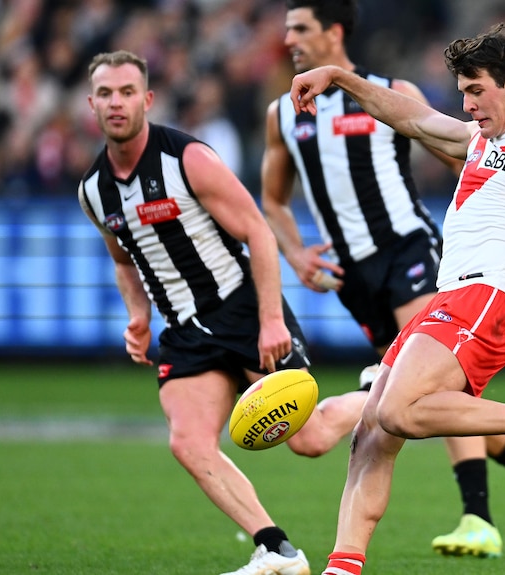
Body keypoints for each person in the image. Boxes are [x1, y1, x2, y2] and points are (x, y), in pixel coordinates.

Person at [288, 23, 505, 575]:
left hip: (489, 297)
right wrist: (339, 78)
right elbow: (406, 115)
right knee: (371, 435)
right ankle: (343, 566)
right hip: (450, 299)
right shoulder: (479, 140)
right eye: (462, 92)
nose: (467, 104)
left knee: (396, 411)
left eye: (476, 90)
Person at [262, 0, 505, 557]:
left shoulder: (396, 90)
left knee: (405, 403)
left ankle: (478, 513)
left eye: (300, 28)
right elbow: (273, 201)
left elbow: (438, 135)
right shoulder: (283, 112)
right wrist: (295, 251)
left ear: (333, 31)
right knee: (398, 413)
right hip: (354, 273)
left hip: (411, 251)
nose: (289, 40)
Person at [76, 49, 349, 575]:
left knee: (310, 440)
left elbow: (257, 232)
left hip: (242, 308)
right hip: (184, 331)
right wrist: (137, 315)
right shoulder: (93, 191)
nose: (116, 103)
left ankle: (377, 387)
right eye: (106, 93)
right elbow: (122, 258)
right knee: (188, 443)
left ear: (147, 99)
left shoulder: (187, 159)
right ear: (92, 104)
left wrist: (271, 319)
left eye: (127, 92)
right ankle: (277, 549)